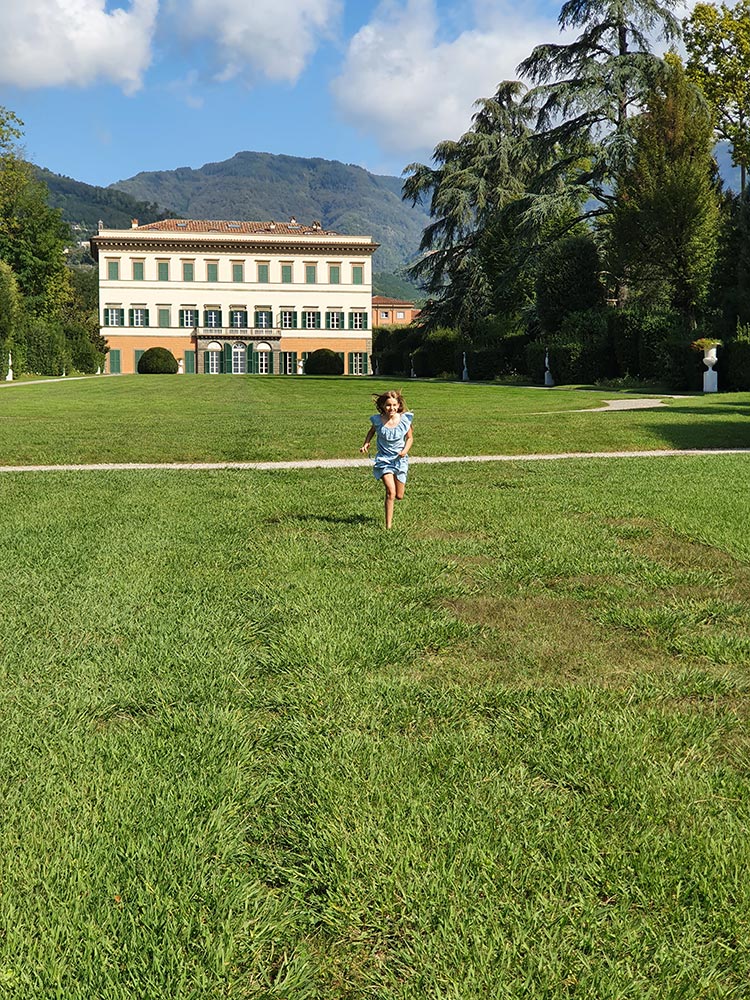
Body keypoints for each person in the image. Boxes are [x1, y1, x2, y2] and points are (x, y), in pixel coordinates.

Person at [360, 390, 414, 529]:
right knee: (391, 492)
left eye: (394, 405)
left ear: (399, 405)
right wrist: (366, 443)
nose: (391, 408)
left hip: (399, 460)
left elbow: (409, 438)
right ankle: (388, 527)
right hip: (384, 460)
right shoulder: (378, 420)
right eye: (388, 405)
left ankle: (396, 495)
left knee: (399, 495)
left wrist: (405, 451)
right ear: (383, 406)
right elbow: (372, 431)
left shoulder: (404, 420)